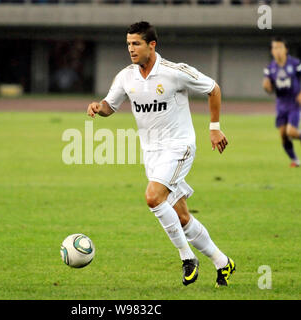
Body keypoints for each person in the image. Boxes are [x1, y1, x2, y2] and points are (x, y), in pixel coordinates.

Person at [87, 21, 235, 287]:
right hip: (152, 154)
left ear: (151, 45)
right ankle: (223, 262)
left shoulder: (174, 72)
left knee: (153, 197)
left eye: (136, 44)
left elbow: (213, 88)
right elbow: (111, 105)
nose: (131, 49)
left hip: (179, 147)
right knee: (181, 217)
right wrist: (99, 107)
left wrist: (214, 128)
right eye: (128, 44)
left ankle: (187, 258)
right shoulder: (126, 77)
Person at [263, 37, 301, 168]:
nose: (277, 50)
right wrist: (266, 86)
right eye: (274, 48)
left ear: (286, 49)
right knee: (283, 136)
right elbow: (268, 87)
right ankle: (295, 160)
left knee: (290, 132)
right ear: (272, 51)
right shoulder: (270, 68)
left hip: (294, 103)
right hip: (281, 104)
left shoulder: (295, 63)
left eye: (280, 47)